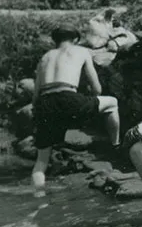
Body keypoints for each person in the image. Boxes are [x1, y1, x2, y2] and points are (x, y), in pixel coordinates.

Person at [31, 26, 120, 191]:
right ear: (76, 39)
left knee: (41, 161)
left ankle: (38, 199)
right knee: (112, 103)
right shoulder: (82, 51)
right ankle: (116, 146)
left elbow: (35, 97)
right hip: (68, 97)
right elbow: (97, 89)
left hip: (45, 103)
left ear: (55, 41)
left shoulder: (45, 57)